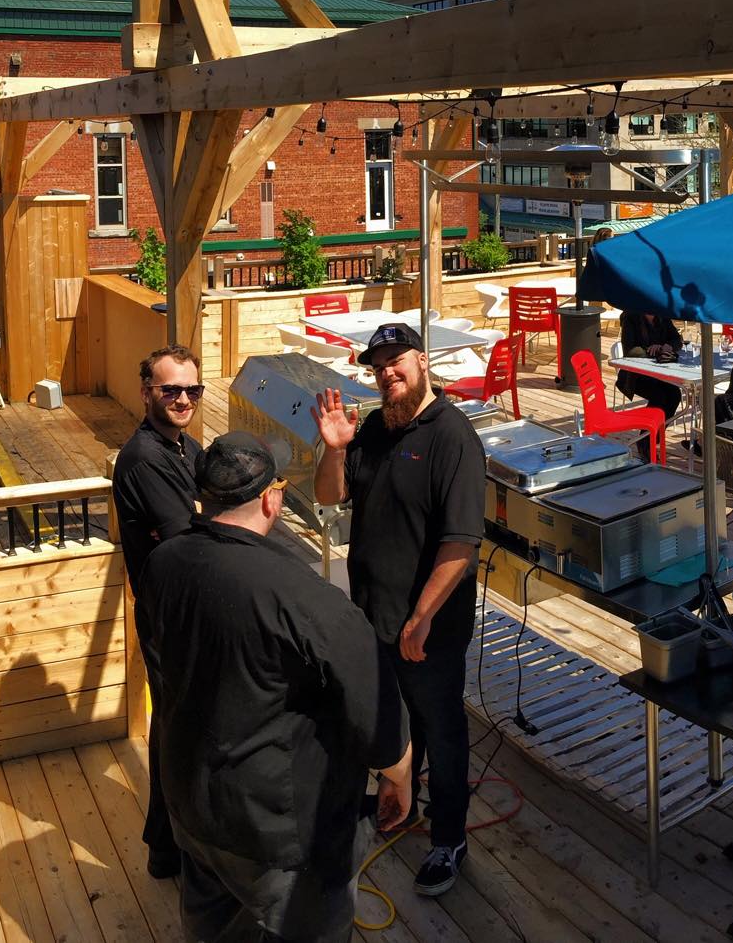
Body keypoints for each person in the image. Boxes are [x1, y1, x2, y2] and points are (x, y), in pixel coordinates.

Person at [144, 432, 413, 943]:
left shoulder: (163, 563)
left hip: (192, 806)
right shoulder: (304, 598)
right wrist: (398, 773)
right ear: (272, 499)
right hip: (279, 835)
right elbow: (375, 705)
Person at [313, 323, 484, 897]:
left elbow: (461, 543)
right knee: (395, 721)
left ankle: (449, 838)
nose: (387, 372)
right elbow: (330, 495)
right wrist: (334, 449)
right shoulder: (375, 427)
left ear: (422, 361)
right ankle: (403, 802)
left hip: (428, 627)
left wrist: (421, 617)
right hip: (373, 616)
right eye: (378, 365)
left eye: (397, 360)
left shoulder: (452, 436)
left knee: (442, 726)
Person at [109, 344, 204, 880]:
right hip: (171, 618)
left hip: (177, 609)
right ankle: (171, 847)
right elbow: (186, 536)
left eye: (193, 390)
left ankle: (167, 846)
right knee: (178, 731)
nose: (183, 399)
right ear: (147, 392)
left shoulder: (182, 446)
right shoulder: (146, 458)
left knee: (176, 727)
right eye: (171, 390)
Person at [616, 311, 685, 418]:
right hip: (635, 375)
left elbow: (677, 339)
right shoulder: (631, 317)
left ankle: (659, 428)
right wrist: (654, 351)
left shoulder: (662, 315)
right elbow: (629, 351)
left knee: (675, 394)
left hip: (660, 374)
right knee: (659, 396)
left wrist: (669, 346)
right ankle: (647, 428)